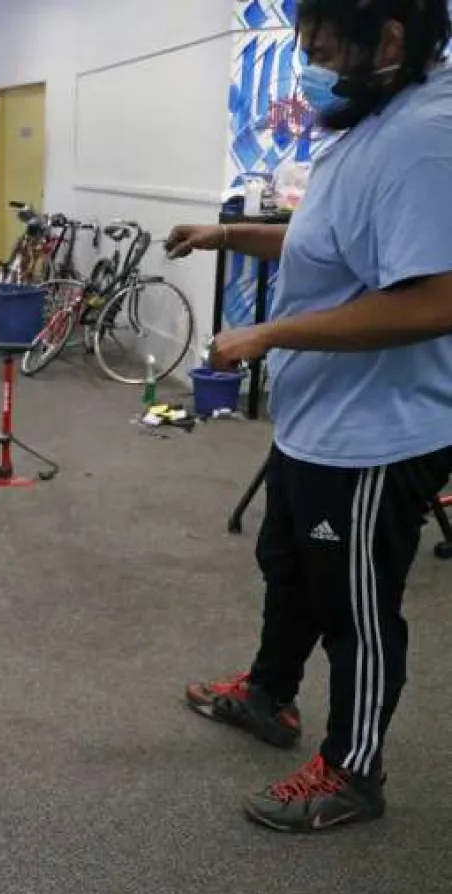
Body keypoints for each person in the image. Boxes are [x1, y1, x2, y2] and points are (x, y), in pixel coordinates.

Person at [166, 0, 452, 833]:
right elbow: (324, 238)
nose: (311, 62)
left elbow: (436, 299)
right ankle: (268, 695)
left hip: (376, 433)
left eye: (325, 48)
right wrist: (226, 236)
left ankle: (353, 769)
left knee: (352, 605)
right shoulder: (374, 114)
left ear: (388, 41)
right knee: (286, 561)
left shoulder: (423, 140)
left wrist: (266, 332)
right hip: (317, 418)